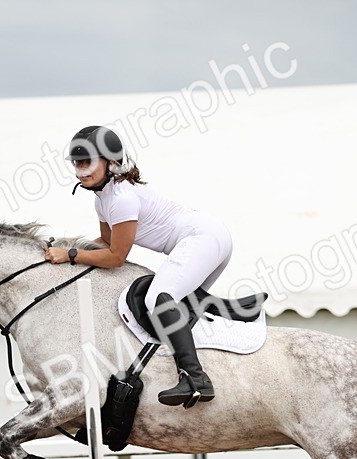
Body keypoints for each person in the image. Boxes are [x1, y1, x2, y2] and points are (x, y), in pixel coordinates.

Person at [43, 125, 232, 408]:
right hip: (210, 237)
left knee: (158, 299)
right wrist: (68, 249)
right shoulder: (104, 198)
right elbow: (106, 243)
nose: (81, 170)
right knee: (182, 302)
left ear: (111, 163)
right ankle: (235, 311)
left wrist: (70, 254)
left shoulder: (121, 198)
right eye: (77, 163)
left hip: (202, 238)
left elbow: (116, 257)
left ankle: (195, 378)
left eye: (88, 162)